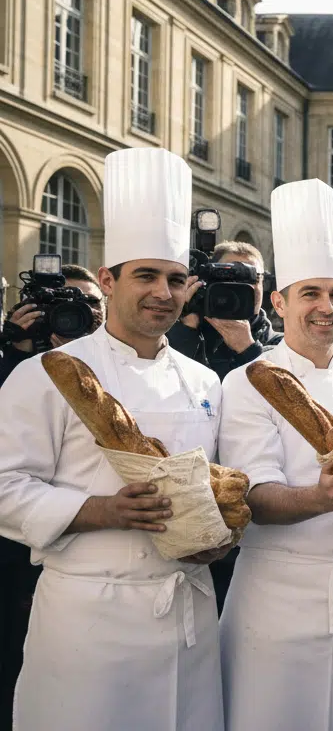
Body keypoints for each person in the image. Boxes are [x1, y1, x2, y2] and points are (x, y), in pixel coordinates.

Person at [0, 147, 230, 730]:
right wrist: (102, 510)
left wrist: (223, 533)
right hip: (91, 620)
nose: (163, 292)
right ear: (107, 281)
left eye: (176, 279)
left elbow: (219, 486)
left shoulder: (206, 382)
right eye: (146, 276)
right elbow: (4, 485)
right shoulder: (46, 374)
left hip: (187, 612)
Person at [218, 180, 333, 731]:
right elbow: (254, 496)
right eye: (310, 293)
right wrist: (322, 497)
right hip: (276, 598)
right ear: (279, 302)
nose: (326, 307)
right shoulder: (248, 383)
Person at [0, 263, 103, 727]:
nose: (76, 316)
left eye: (90, 306)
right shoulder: (22, 365)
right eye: (63, 306)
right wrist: (16, 349)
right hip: (14, 561)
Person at [167, 240, 281, 615]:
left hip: (261, 509)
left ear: (265, 286)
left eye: (250, 279)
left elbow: (286, 405)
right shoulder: (181, 336)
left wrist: (247, 349)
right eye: (226, 277)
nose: (238, 290)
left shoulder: (277, 345)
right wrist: (186, 324)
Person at [167, 241, 282, 381]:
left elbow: (285, 395)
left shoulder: (282, 345)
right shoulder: (181, 330)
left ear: (263, 284)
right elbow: (166, 382)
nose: (243, 287)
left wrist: (248, 349)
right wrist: (185, 330)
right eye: (229, 277)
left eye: (253, 277)